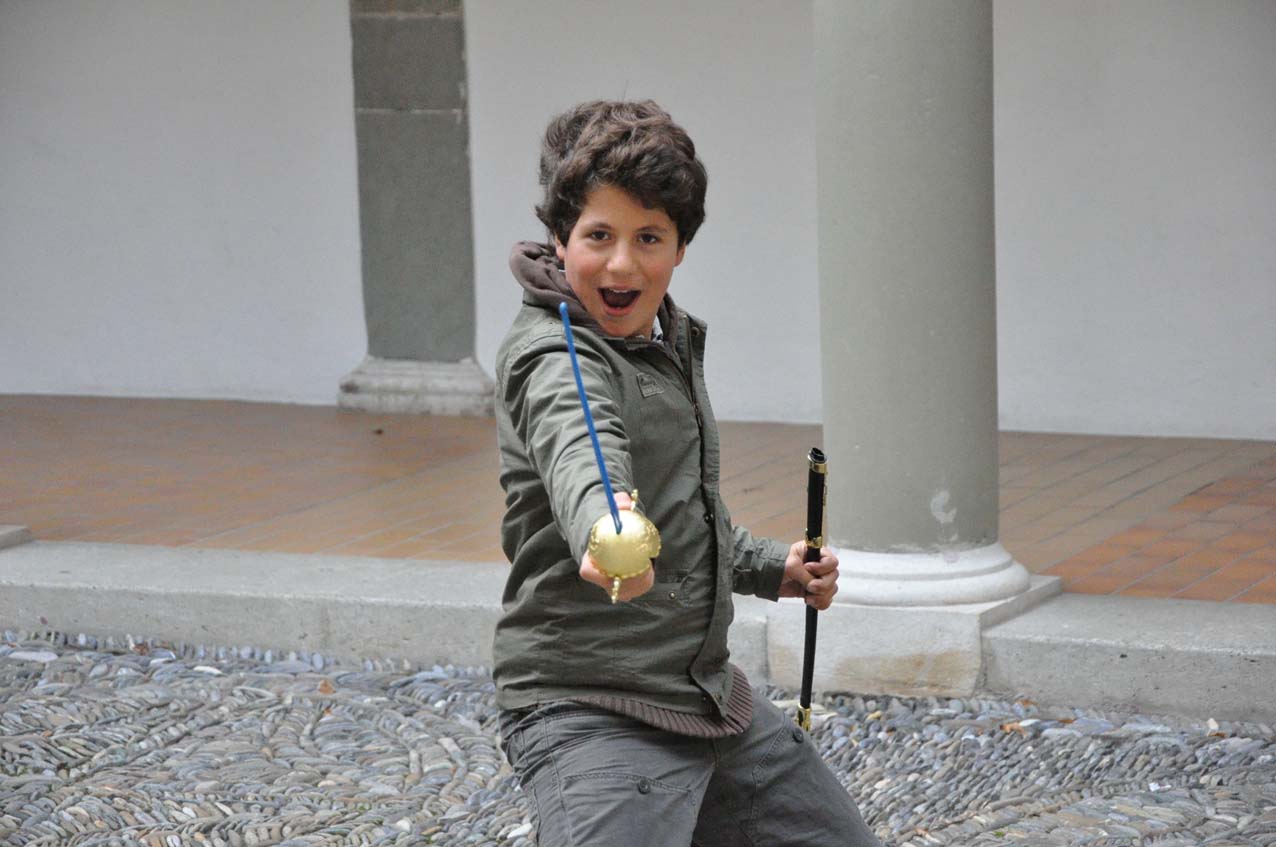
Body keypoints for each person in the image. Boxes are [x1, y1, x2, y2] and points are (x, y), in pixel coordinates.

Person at [493, 99, 881, 846]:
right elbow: (582, 449)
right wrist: (607, 530)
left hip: (705, 699)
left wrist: (769, 566)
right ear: (559, 237)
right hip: (590, 706)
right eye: (598, 235)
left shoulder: (662, 337)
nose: (622, 263)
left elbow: (677, 510)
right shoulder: (553, 353)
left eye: (649, 237)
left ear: (679, 249)